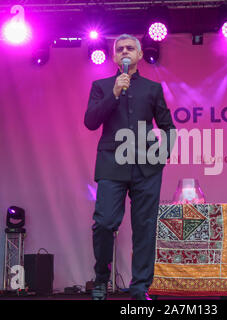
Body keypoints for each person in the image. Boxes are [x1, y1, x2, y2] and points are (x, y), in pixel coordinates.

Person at [84, 34, 176, 300]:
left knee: (144, 227)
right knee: (104, 222)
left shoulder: (152, 89)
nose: (125, 51)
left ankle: (140, 287)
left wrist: (160, 157)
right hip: (112, 163)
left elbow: (168, 128)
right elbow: (90, 122)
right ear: (114, 57)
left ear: (138, 55)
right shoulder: (101, 86)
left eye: (130, 48)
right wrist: (114, 93)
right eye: (120, 48)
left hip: (147, 168)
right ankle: (101, 279)